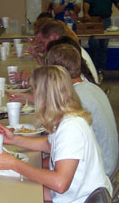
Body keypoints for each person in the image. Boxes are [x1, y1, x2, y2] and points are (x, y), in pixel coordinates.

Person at [0, 66, 112, 203]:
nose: (33, 94)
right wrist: (14, 140)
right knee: (21, 195)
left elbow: (60, 183)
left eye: (35, 89)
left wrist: (15, 164)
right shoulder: (66, 117)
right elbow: (49, 145)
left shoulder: (71, 128)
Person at [46, 43, 118, 177]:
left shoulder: (76, 99)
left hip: (99, 173)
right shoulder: (89, 87)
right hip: (109, 165)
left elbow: (60, 144)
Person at [83, 0, 119, 73]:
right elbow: (86, 4)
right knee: (94, 44)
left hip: (106, 20)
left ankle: (101, 69)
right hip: (93, 21)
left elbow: (117, 3)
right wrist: (86, 13)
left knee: (103, 45)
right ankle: (92, 67)